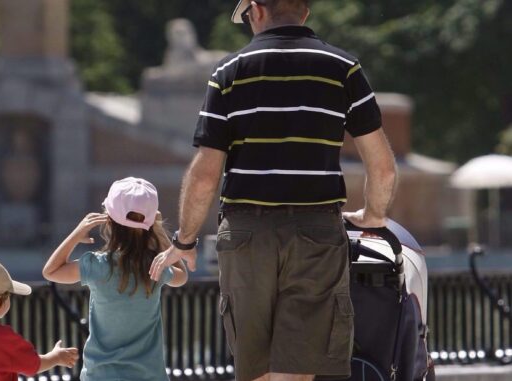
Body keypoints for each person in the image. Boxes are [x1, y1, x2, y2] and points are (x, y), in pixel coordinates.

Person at [149, 1, 397, 381]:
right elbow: (381, 165)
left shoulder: (228, 72)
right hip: (317, 233)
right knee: (296, 372)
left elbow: (204, 175)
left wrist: (185, 241)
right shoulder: (342, 68)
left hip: (246, 233)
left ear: (258, 11)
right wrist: (374, 215)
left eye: (246, 16)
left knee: (255, 372)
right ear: (304, 12)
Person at [43, 177, 188, 381]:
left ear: (109, 221)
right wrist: (159, 231)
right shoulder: (155, 266)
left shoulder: (97, 265)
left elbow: (51, 271)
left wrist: (76, 234)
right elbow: (182, 276)